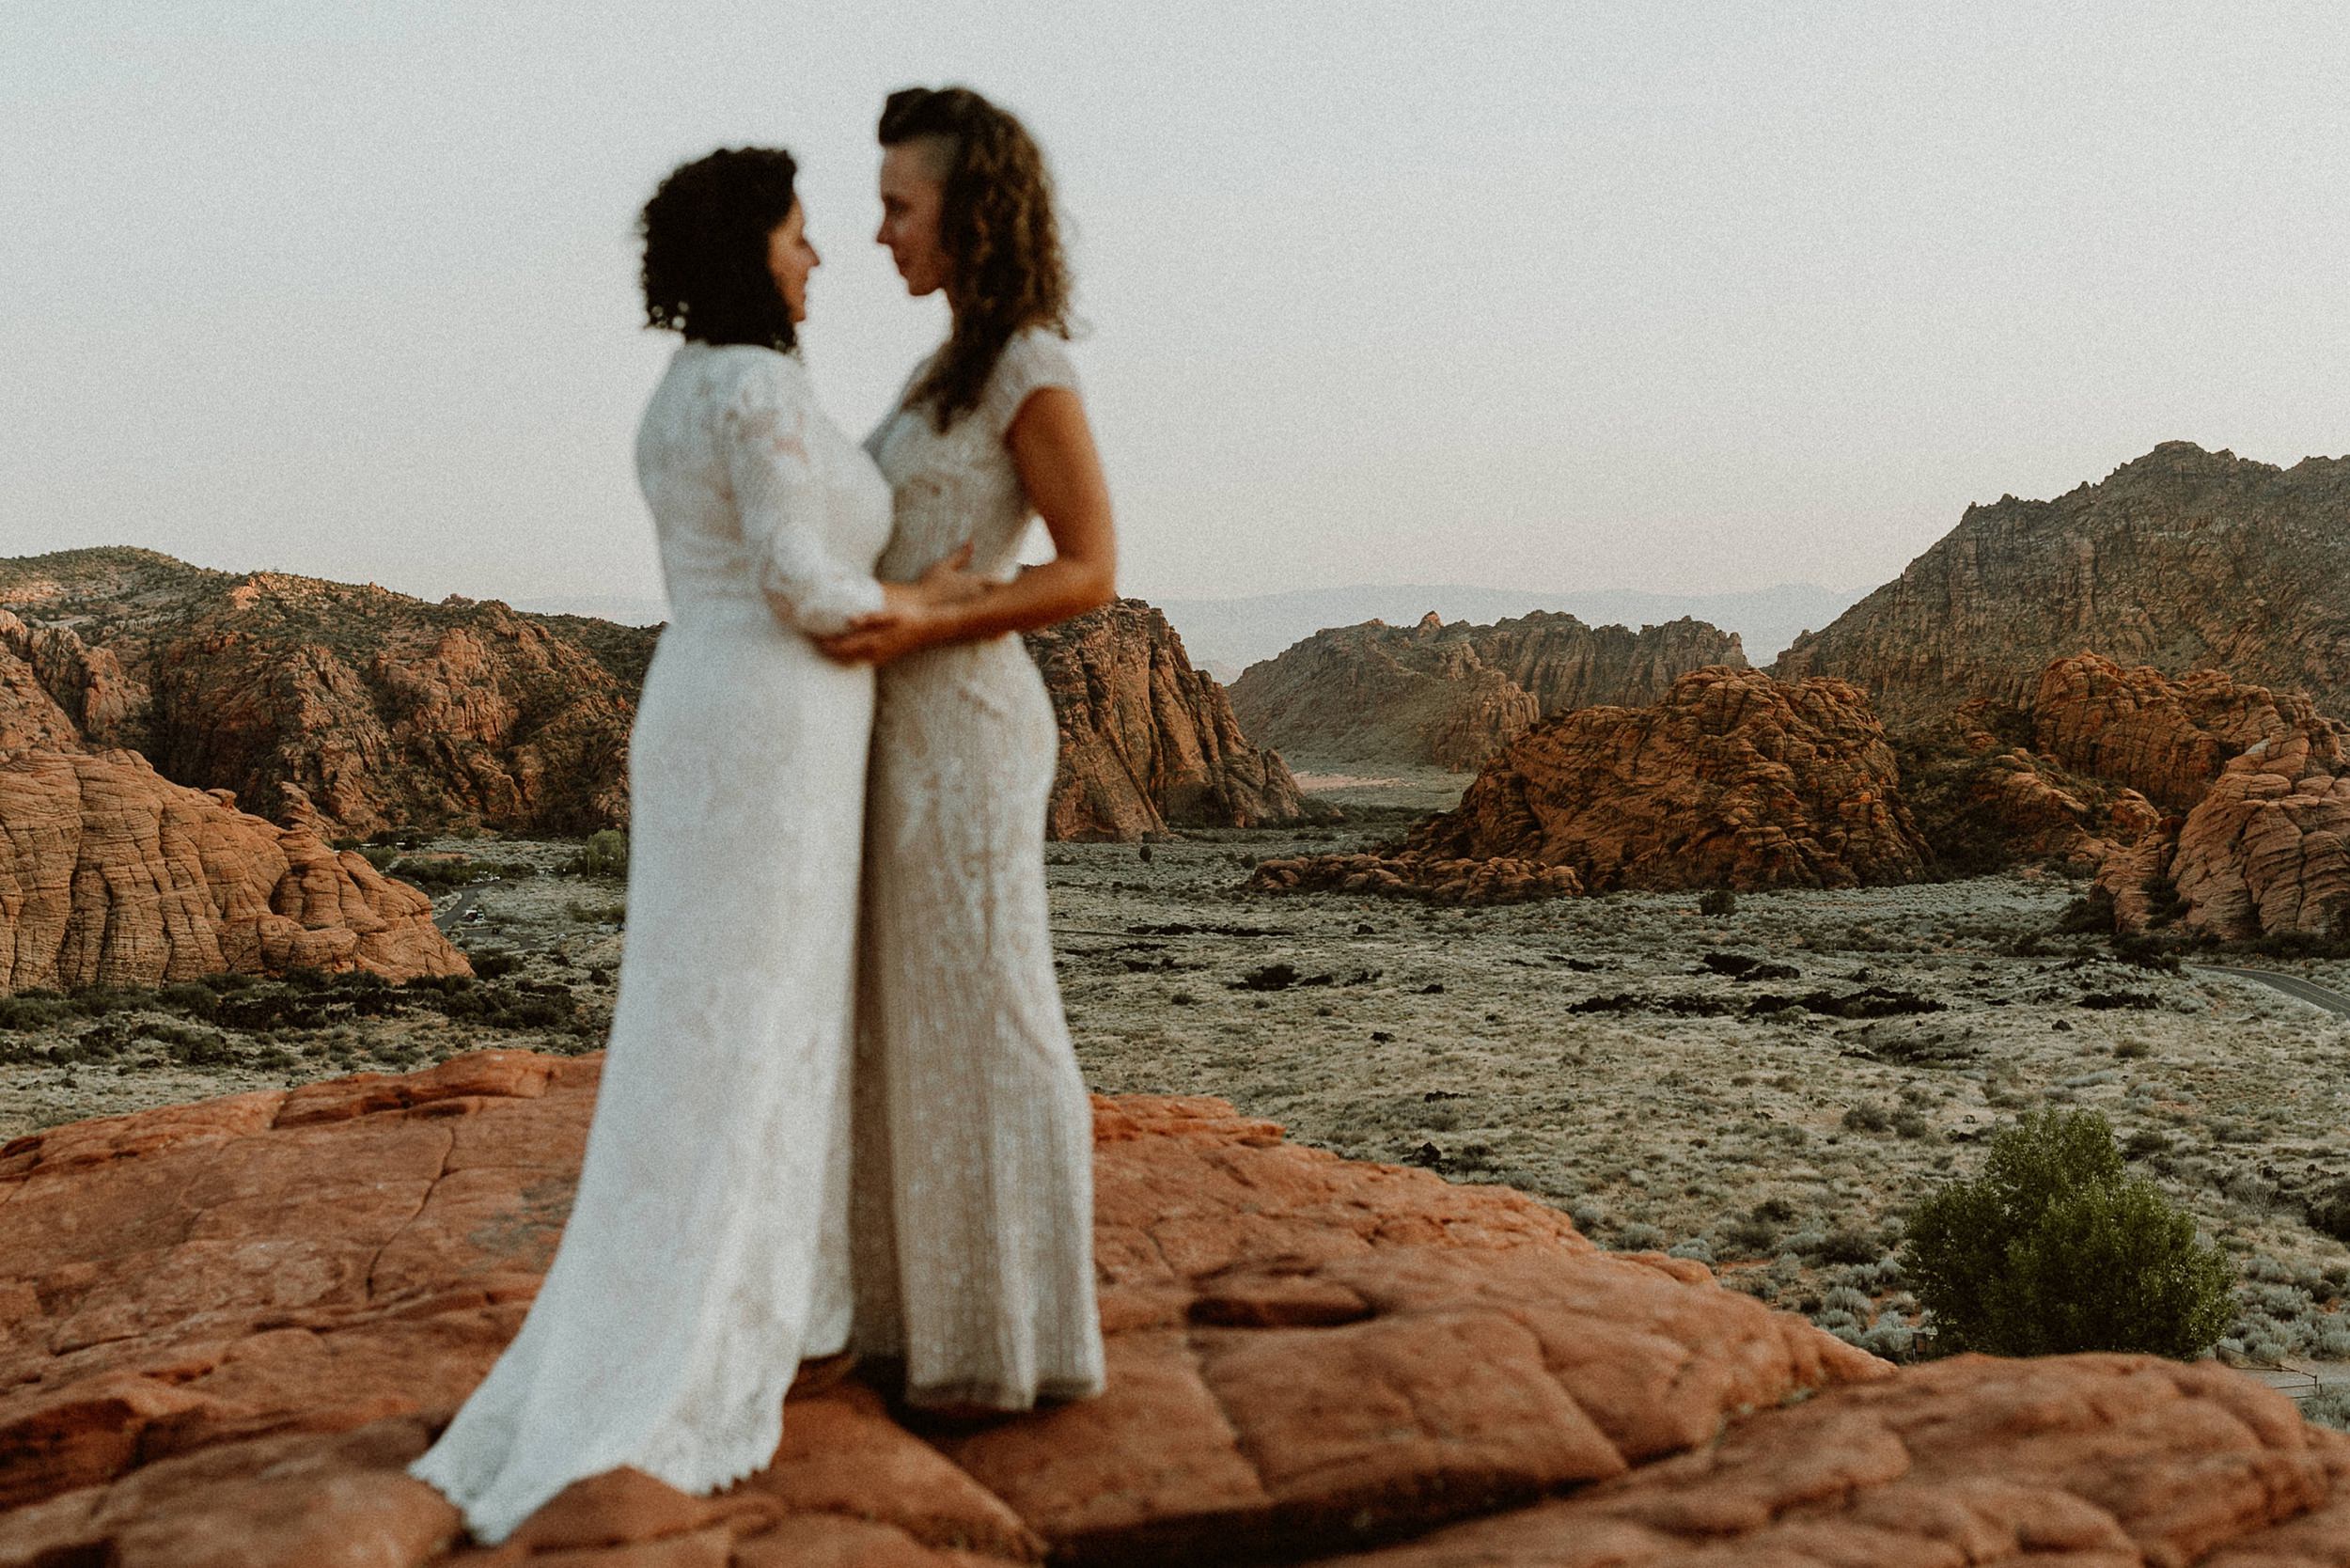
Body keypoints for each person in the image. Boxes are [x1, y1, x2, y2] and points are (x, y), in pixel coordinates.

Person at [410, 146, 965, 1543]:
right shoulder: (758, 386)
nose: (818, 257)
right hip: (773, 723)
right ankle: (716, 1336)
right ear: (748, 250)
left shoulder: (679, 391)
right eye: (798, 233)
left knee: (701, 1024)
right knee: (760, 1018)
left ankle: (743, 1304)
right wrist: (936, 606)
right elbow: (797, 581)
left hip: (710, 709)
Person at [815, 85, 1116, 1416]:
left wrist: (933, 616)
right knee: (910, 1018)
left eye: (898, 205)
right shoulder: (940, 369)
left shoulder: (1028, 366)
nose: (879, 232)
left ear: (970, 209)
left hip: (970, 730)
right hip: (896, 731)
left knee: (992, 1008)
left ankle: (1024, 1341)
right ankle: (920, 1326)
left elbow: (1091, 569)